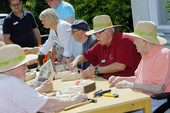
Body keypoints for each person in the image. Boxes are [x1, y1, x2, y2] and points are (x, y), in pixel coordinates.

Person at [0, 44, 87, 112]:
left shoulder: (5, 80)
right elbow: (47, 106)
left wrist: (36, 96)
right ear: (13, 68)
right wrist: (74, 100)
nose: (26, 69)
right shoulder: (13, 83)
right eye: (23, 65)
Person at [108, 21, 170, 113]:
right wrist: (120, 79)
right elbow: (139, 79)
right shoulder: (146, 54)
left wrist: (131, 85)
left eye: (136, 40)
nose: (134, 43)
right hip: (140, 99)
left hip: (155, 103)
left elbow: (158, 89)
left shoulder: (163, 54)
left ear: (144, 41)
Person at [68, 15, 141, 79]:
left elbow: (120, 66)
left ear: (109, 31)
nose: (96, 37)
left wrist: (96, 70)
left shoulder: (124, 40)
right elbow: (85, 56)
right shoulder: (101, 44)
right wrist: (75, 62)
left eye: (98, 33)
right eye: (95, 34)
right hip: (111, 82)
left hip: (129, 85)